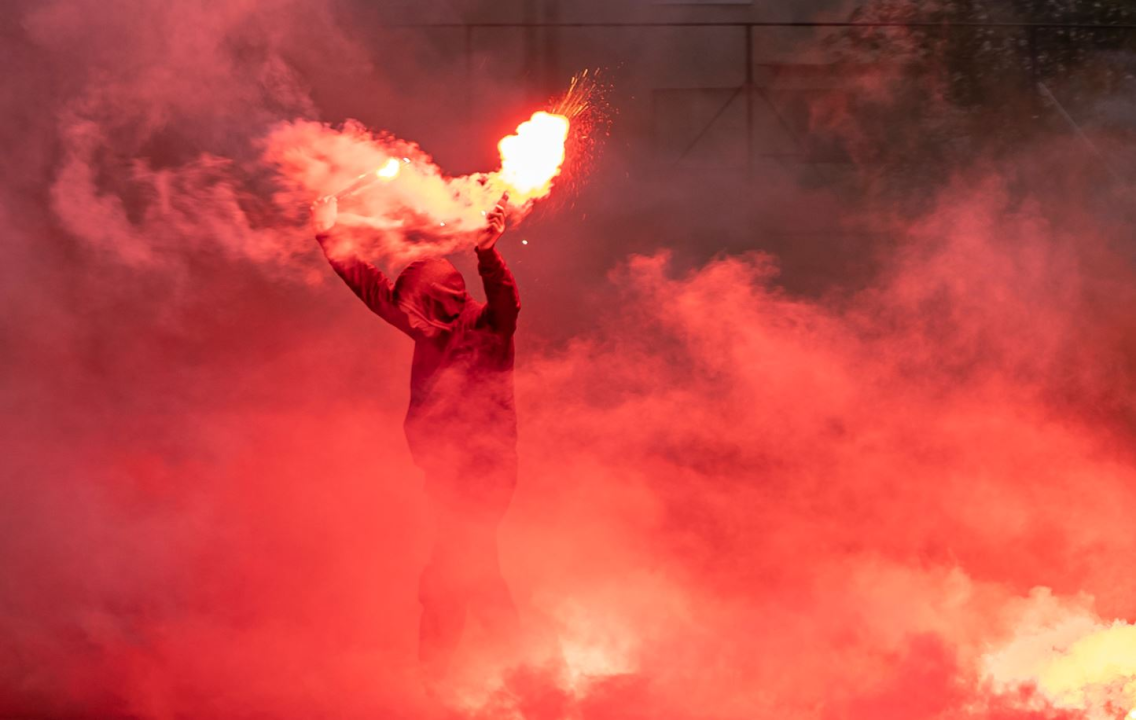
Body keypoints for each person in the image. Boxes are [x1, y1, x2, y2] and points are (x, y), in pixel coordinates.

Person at [311, 194, 521, 680]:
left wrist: (488, 253)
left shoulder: (489, 329)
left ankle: (442, 678)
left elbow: (508, 301)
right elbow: (370, 288)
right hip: (444, 472)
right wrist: (329, 233)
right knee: (473, 569)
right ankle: (522, 670)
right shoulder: (422, 323)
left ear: (440, 303)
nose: (409, 322)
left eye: (417, 311)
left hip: (487, 471)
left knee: (451, 572)